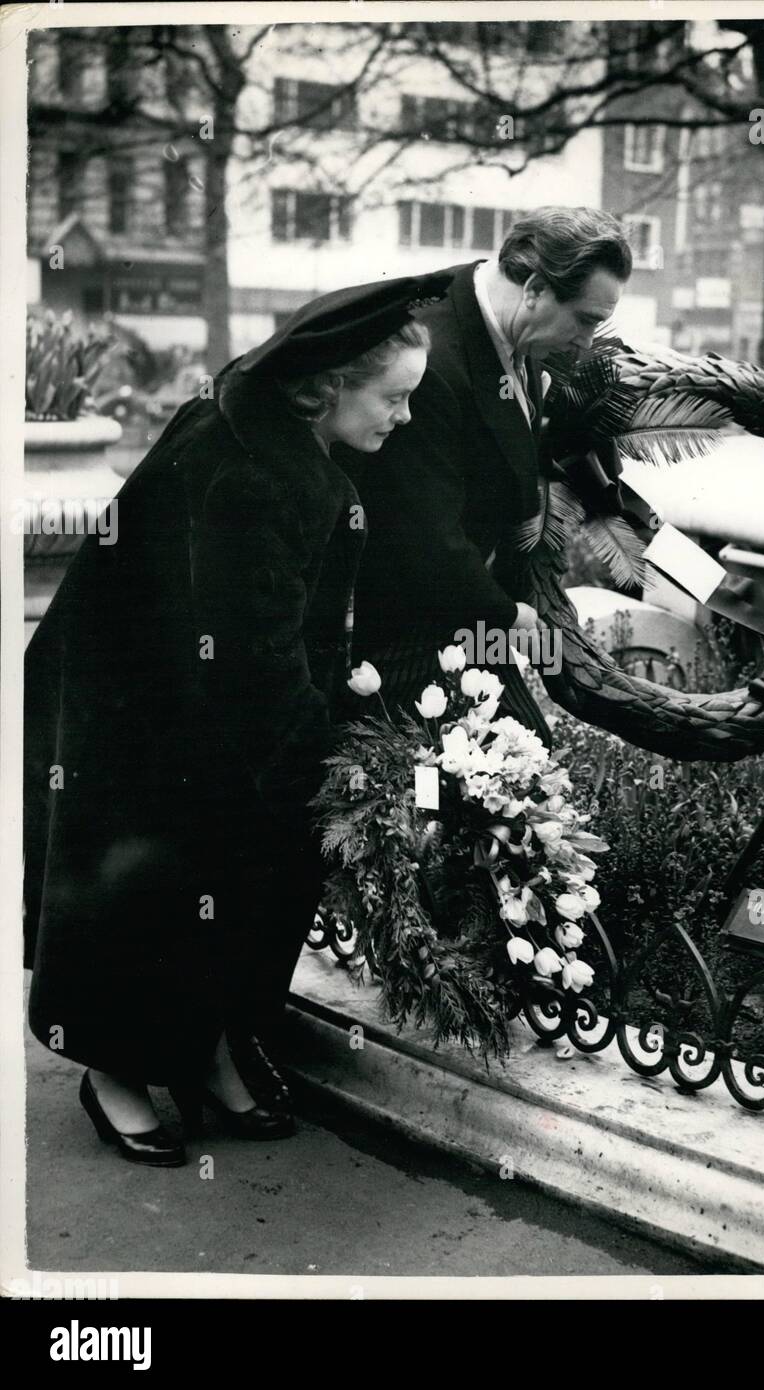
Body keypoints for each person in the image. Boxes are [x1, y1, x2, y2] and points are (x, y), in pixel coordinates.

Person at [23, 272, 450, 1167]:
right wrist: (338, 768)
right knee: (150, 886)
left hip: (199, 696)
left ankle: (209, 1042)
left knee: (244, 875)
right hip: (134, 712)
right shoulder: (248, 473)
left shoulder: (281, 431)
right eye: (396, 398)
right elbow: (249, 657)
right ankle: (115, 1071)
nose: (405, 419)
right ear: (329, 386)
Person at [340, 206, 632, 736]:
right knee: (513, 789)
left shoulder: (515, 329)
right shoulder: (435, 359)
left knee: (525, 786)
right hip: (411, 636)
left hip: (461, 616)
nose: (589, 342)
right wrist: (509, 618)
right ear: (536, 288)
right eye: (587, 320)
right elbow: (422, 540)